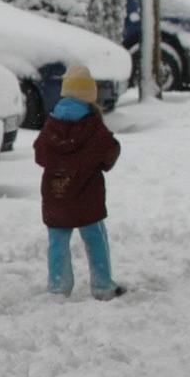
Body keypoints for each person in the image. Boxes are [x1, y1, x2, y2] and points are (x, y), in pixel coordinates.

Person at [35, 65, 124, 300]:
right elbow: (109, 153)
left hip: (57, 195)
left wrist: (61, 165)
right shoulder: (93, 124)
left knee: (57, 243)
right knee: (96, 239)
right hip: (87, 198)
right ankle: (103, 285)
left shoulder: (52, 122)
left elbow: (40, 154)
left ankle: (57, 287)